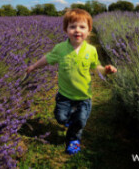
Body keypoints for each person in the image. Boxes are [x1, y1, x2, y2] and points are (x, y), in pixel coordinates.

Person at [26, 8, 117, 155]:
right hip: (64, 95)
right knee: (60, 117)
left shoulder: (91, 50)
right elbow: (47, 59)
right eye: (72, 26)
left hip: (84, 96)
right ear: (65, 29)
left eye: (82, 27)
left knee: (80, 122)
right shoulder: (60, 48)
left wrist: (106, 70)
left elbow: (96, 67)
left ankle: (73, 140)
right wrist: (34, 66)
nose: (77, 30)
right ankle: (68, 121)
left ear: (89, 30)